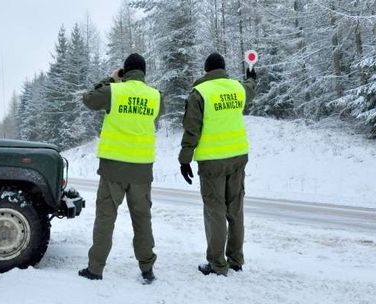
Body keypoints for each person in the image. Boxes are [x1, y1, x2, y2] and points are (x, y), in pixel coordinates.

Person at [78, 53, 163, 284]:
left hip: (112, 169)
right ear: (144, 72)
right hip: (142, 170)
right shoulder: (155, 96)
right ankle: (147, 269)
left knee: (105, 219)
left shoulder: (113, 91)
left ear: (125, 71)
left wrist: (111, 79)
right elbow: (158, 115)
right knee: (142, 219)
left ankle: (95, 269)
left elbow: (88, 99)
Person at [178, 52, 256, 276]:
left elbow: (192, 129)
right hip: (238, 158)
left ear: (206, 70)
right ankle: (236, 259)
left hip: (212, 162)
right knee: (236, 209)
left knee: (215, 211)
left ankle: (217, 264)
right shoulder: (237, 88)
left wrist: (185, 160)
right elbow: (251, 88)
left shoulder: (200, 93)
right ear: (223, 69)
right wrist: (251, 74)